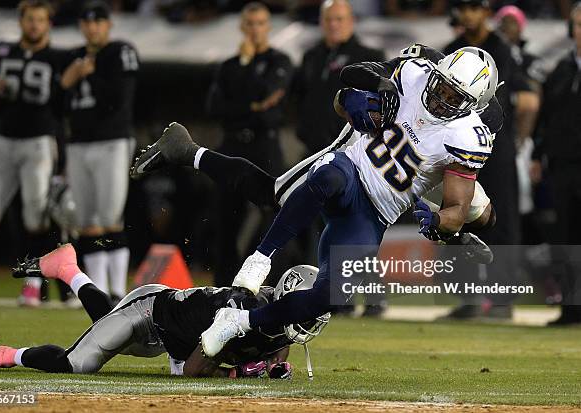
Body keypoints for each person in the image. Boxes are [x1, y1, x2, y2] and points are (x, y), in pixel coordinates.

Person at [134, 45, 500, 356]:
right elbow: (351, 85)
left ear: (474, 106)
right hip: (359, 162)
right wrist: (353, 99)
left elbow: (459, 202)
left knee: (337, 291)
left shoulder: (470, 136)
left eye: (454, 97)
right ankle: (257, 257)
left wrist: (446, 225)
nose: (441, 98)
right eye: (442, 87)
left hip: (409, 184)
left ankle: (241, 322)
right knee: (296, 188)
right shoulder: (416, 71)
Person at [0, 244, 328, 378]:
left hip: (172, 335)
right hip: (149, 313)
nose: (308, 318)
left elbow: (279, 337)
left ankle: (68, 269)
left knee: (104, 329)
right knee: (78, 363)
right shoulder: (242, 311)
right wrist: (236, 375)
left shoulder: (279, 315)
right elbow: (191, 370)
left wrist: (275, 363)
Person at [442, 0, 539, 320]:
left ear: (485, 11)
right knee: (456, 218)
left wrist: (518, 139)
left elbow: (526, 101)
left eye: (474, 7)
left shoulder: (502, 48)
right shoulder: (451, 49)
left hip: (495, 148)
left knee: (503, 221)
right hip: (456, 149)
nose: (468, 13)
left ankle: (502, 300)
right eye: (464, 7)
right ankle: (467, 300)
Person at [0, 0, 65, 306]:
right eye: (29, 19)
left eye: (40, 19)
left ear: (48, 23)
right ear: (21, 21)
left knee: (35, 215)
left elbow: (66, 107)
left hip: (39, 141)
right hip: (5, 141)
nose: (34, 25)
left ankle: (33, 284)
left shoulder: (58, 58)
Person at [205, 2, 293, 287]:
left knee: (274, 216)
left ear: (268, 27)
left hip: (264, 148)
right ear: (242, 27)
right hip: (232, 145)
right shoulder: (230, 66)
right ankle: (222, 287)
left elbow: (271, 112)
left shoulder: (280, 61)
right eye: (250, 24)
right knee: (225, 217)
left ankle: (269, 284)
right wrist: (254, 105)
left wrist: (246, 101)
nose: (255, 29)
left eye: (260, 23)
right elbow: (214, 108)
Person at [60, 0, 138, 302]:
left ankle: (118, 290)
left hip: (111, 141)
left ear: (108, 24)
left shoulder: (120, 51)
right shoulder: (74, 56)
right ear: (81, 25)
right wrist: (65, 83)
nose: (92, 27)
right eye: (87, 21)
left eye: (98, 21)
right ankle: (99, 293)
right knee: (87, 220)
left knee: (110, 216)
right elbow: (58, 105)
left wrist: (88, 75)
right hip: (79, 142)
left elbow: (119, 99)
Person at [532, 3, 581, 325]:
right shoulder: (562, 70)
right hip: (564, 168)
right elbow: (545, 120)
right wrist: (537, 155)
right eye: (578, 24)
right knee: (565, 238)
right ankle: (571, 308)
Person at [296, 0, 384, 154]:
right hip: (312, 149)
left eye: (339, 19)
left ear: (351, 21)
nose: (333, 24)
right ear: (321, 21)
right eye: (328, 19)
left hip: (352, 152)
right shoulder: (311, 56)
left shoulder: (370, 57)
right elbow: (300, 96)